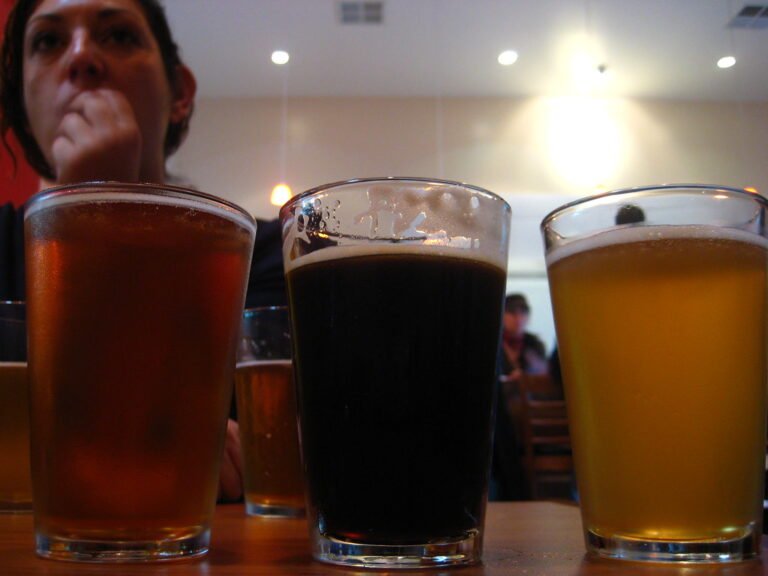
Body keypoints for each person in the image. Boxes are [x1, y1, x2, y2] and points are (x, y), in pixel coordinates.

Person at [0, 0, 259, 502]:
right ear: (21, 105)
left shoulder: (253, 253)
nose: (81, 58)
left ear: (179, 93)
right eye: (48, 41)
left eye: (118, 35)